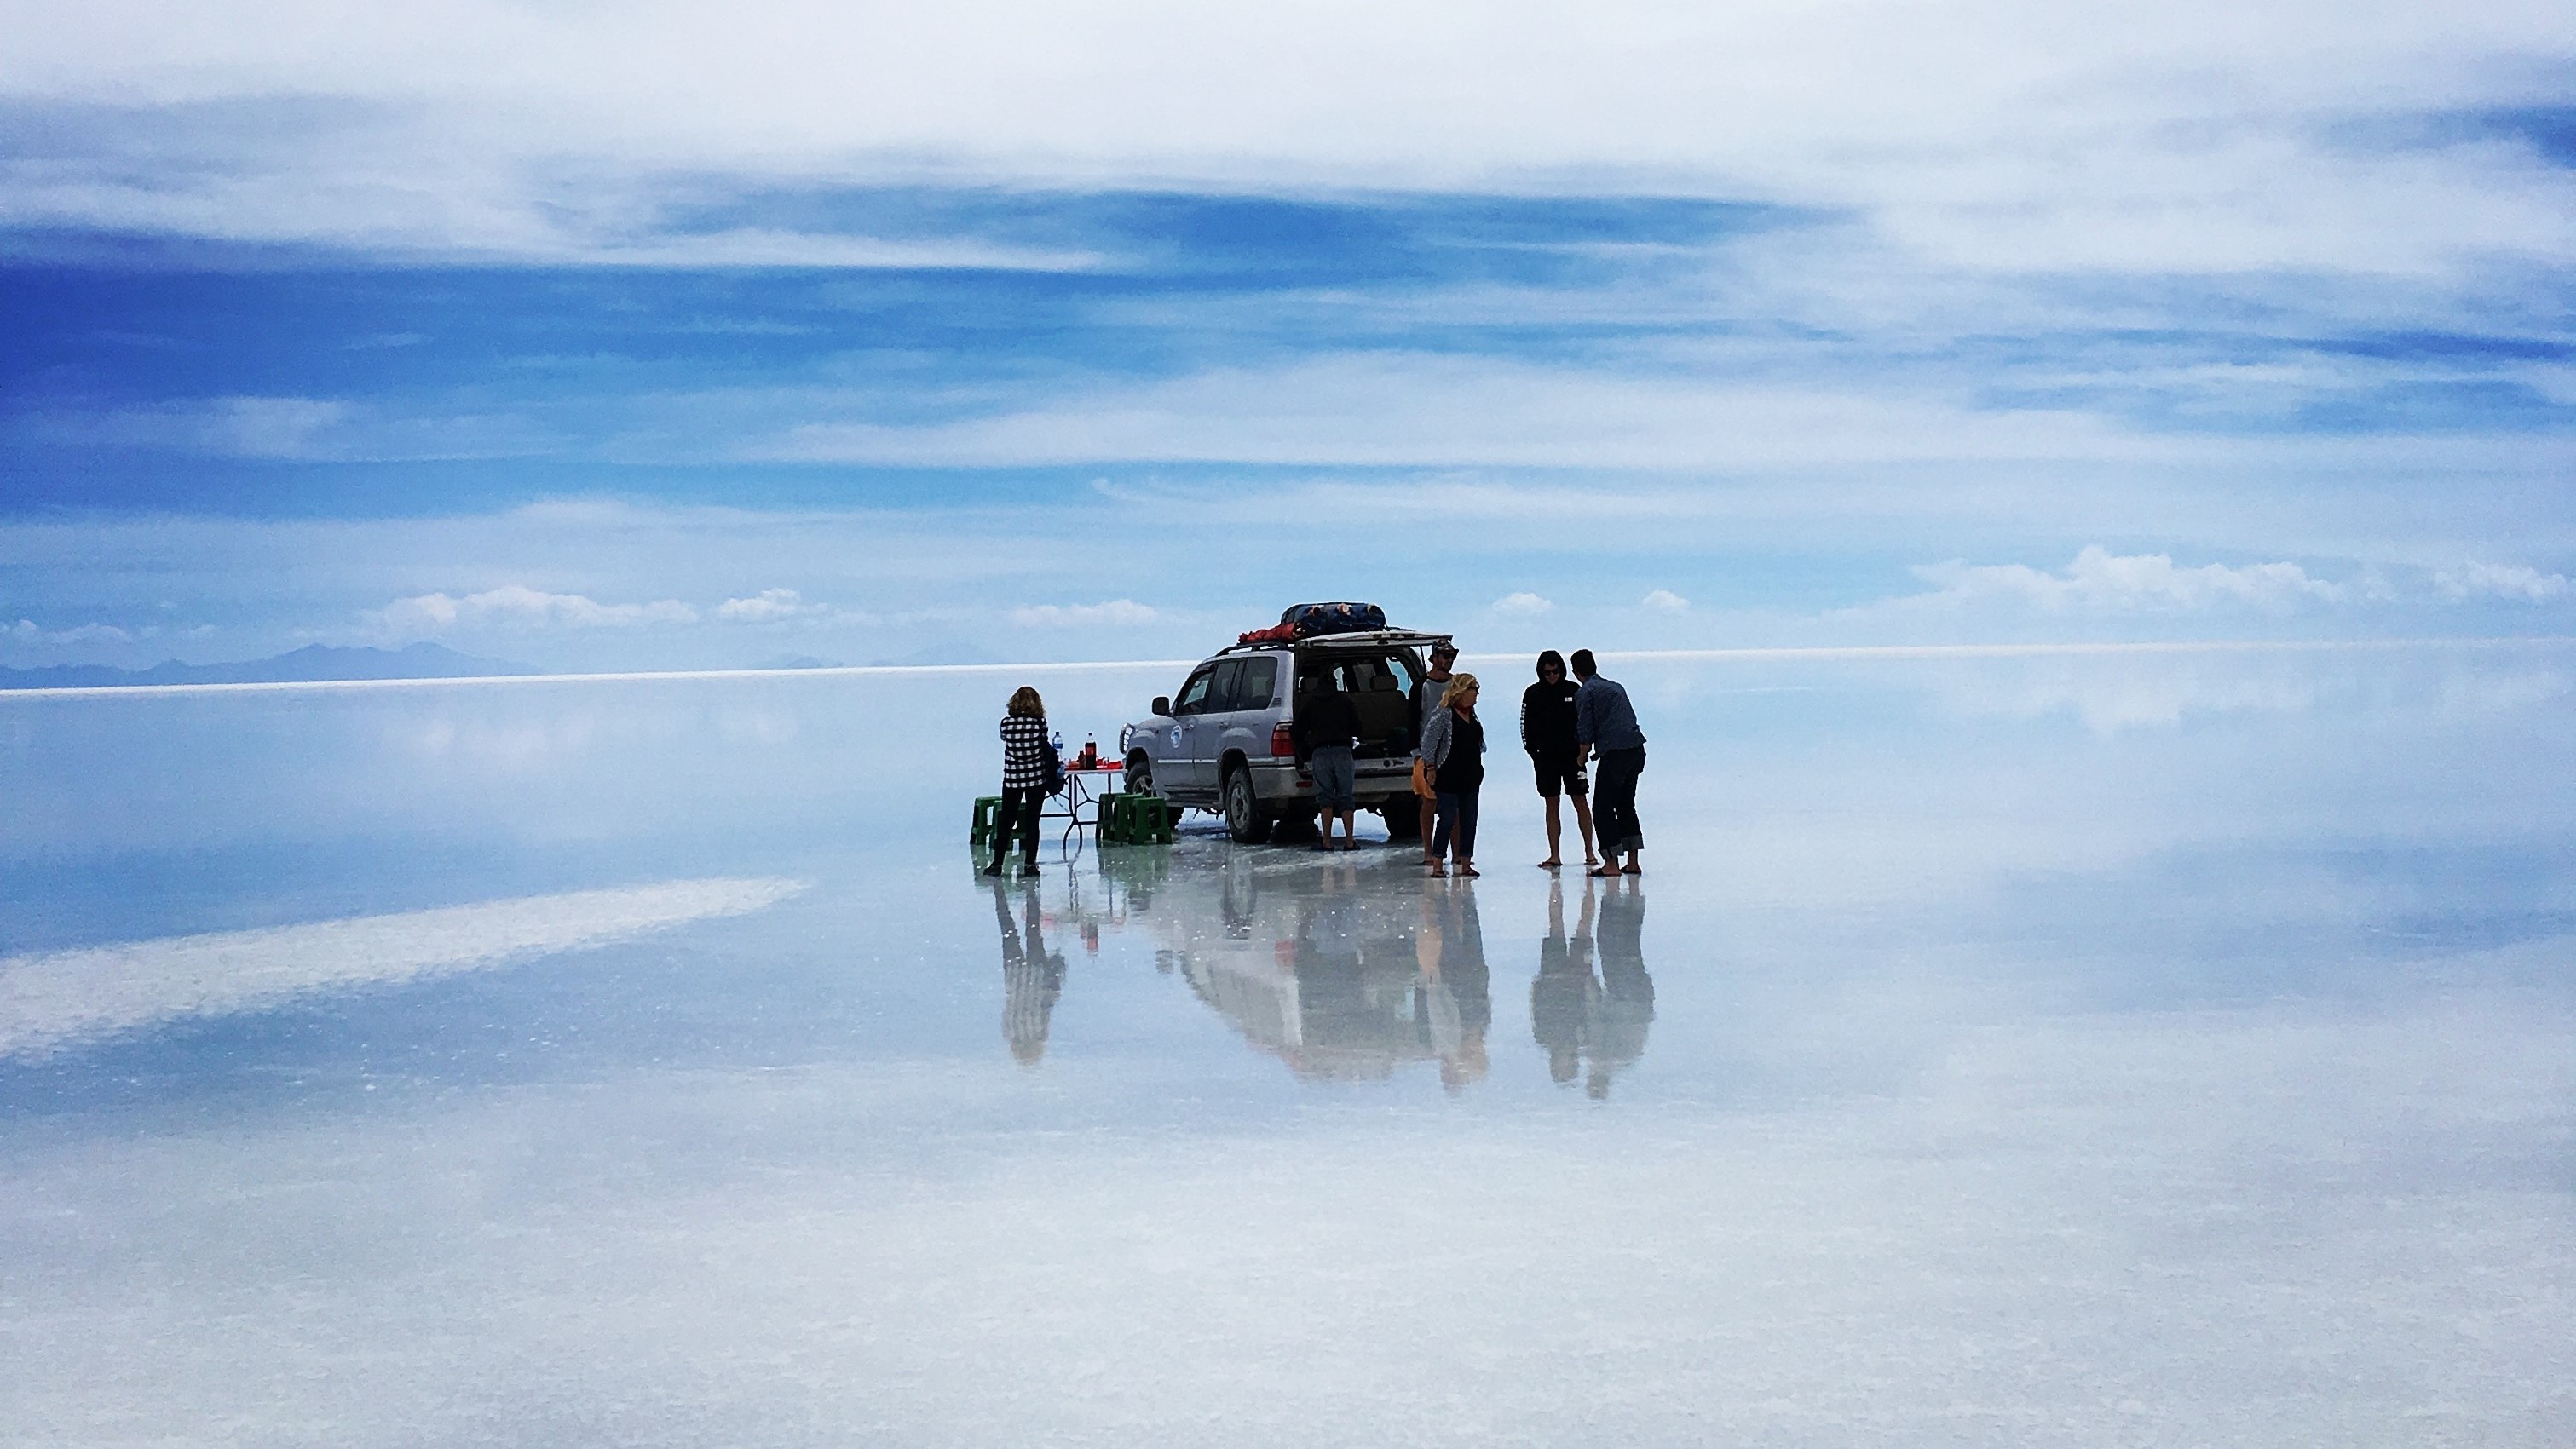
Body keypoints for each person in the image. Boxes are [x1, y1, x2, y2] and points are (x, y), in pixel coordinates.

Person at [1520, 649, 1599, 871]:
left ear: (1562, 670)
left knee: (1580, 800)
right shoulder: (1532, 693)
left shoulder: (1574, 691)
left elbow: (1585, 721)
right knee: (1551, 804)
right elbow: (1524, 725)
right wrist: (1532, 751)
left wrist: (1583, 750)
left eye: (1555, 671)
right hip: (1545, 759)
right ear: (1541, 672)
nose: (1552, 676)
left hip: (1574, 758)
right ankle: (1554, 855)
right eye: (1547, 672)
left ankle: (1590, 852)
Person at [1571, 648, 1645, 877]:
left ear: (1575, 672)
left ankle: (1611, 864)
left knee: (1602, 807)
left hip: (1615, 754)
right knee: (1625, 804)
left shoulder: (1586, 692)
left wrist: (1581, 759)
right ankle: (1632, 861)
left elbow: (1585, 731)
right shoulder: (1615, 686)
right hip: (1636, 750)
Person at [1417, 672, 1485, 877]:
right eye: (1473, 690)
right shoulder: (1444, 715)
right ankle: (1438, 862)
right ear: (1461, 692)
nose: (1476, 695)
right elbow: (1429, 744)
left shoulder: (1472, 716)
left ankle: (1465, 862)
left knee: (1469, 820)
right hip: (1448, 777)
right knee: (1446, 818)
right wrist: (1430, 768)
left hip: (1471, 776)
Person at [1295, 672, 1363, 852]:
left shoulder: (1311, 703)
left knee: (1325, 798)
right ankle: (1350, 842)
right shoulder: (1345, 701)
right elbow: (1358, 727)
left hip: (1320, 753)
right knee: (1346, 797)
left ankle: (1327, 842)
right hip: (1343, 751)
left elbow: (1297, 731)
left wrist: (1305, 747)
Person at [988, 684, 1050, 878]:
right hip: (1036, 778)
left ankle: (997, 864)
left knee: (1006, 821)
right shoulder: (1040, 724)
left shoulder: (1006, 724)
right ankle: (1030, 865)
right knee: (1033, 821)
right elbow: (1043, 745)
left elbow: (1005, 740)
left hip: (1013, 779)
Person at [1408, 640, 1458, 864]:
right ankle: (1429, 851)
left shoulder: (1456, 685)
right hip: (1427, 755)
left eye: (1451, 656)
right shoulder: (1421, 686)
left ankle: (1458, 854)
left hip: (1454, 753)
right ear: (1435, 657)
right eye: (1445, 656)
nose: (1448, 660)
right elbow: (1412, 720)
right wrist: (1417, 754)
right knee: (1429, 803)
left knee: (1455, 805)